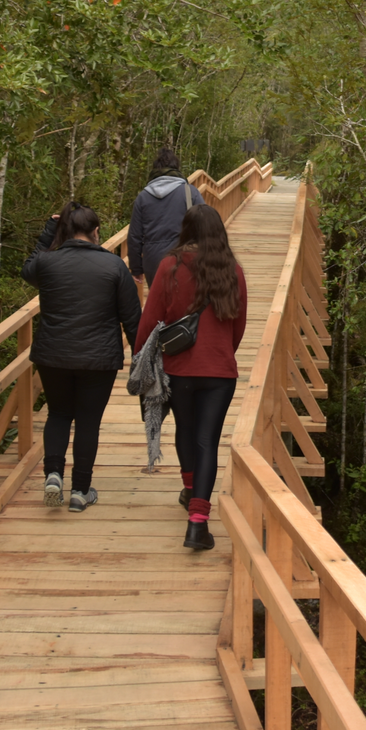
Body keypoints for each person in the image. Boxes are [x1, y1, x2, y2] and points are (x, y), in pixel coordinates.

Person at [134, 204, 247, 550]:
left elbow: (151, 319)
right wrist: (223, 352)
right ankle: (198, 522)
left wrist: (140, 358)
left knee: (185, 429)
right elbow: (239, 325)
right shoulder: (233, 270)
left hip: (178, 368)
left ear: (185, 230)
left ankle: (188, 488)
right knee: (207, 441)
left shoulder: (169, 267)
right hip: (220, 371)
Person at [21, 202, 141, 512]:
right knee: (89, 421)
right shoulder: (115, 267)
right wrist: (142, 360)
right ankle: (80, 491)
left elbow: (28, 268)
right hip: (98, 359)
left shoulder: (48, 263)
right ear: (96, 232)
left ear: (65, 231)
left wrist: (49, 232)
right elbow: (132, 318)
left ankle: (53, 475)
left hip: (52, 355)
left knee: (59, 414)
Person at [128, 148, 204, 286]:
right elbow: (205, 225)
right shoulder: (189, 192)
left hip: (153, 260)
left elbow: (135, 236)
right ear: (177, 169)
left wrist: (136, 267)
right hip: (184, 256)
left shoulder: (143, 197)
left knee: (159, 302)